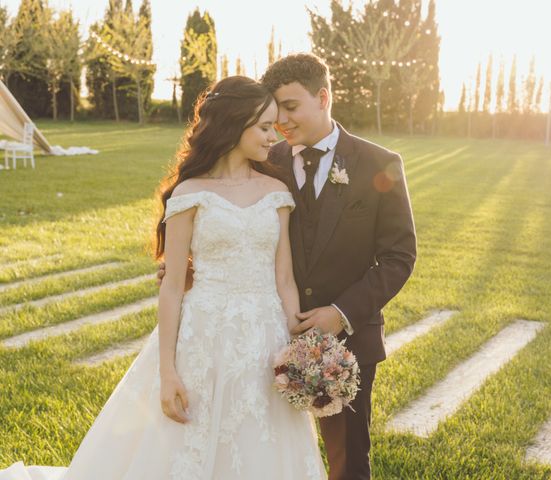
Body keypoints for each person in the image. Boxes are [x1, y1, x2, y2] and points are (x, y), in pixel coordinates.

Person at [0, 76, 327, 480]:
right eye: (263, 127)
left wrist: (300, 348)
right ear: (233, 125)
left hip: (264, 337)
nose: (272, 136)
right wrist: (168, 370)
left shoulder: (277, 192)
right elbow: (173, 286)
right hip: (202, 334)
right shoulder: (190, 193)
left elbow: (285, 280)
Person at [259, 53, 417, 480]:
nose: (282, 123)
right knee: (268, 454)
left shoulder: (378, 163)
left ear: (323, 97)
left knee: (347, 461)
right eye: (275, 113)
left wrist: (341, 314)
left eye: (290, 107)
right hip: (269, 335)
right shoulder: (264, 162)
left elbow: (400, 256)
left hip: (349, 344)